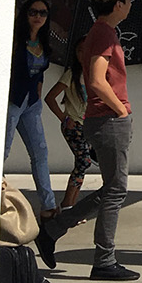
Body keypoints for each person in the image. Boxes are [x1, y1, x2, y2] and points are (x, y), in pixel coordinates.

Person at [36, 0, 140, 281]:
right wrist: (120, 109)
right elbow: (95, 80)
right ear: (118, 4)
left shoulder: (103, 32)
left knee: (112, 189)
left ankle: (53, 231)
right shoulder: (104, 34)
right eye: (128, 1)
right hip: (108, 119)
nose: (129, 5)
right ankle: (104, 260)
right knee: (116, 190)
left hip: (105, 119)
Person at [6, 0, 57, 218]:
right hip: (12, 100)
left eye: (43, 13)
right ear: (25, 14)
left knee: (40, 151)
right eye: (33, 12)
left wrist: (39, 87)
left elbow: (40, 70)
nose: (38, 17)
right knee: (3, 150)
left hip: (31, 103)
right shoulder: (15, 41)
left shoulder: (43, 42)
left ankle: (48, 205)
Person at [43, 44, 93, 213]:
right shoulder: (71, 74)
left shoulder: (95, 74)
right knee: (84, 161)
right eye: (80, 50)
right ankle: (66, 205)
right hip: (73, 126)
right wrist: (64, 118)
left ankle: (70, 205)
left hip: (87, 126)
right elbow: (50, 97)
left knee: (82, 164)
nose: (83, 53)